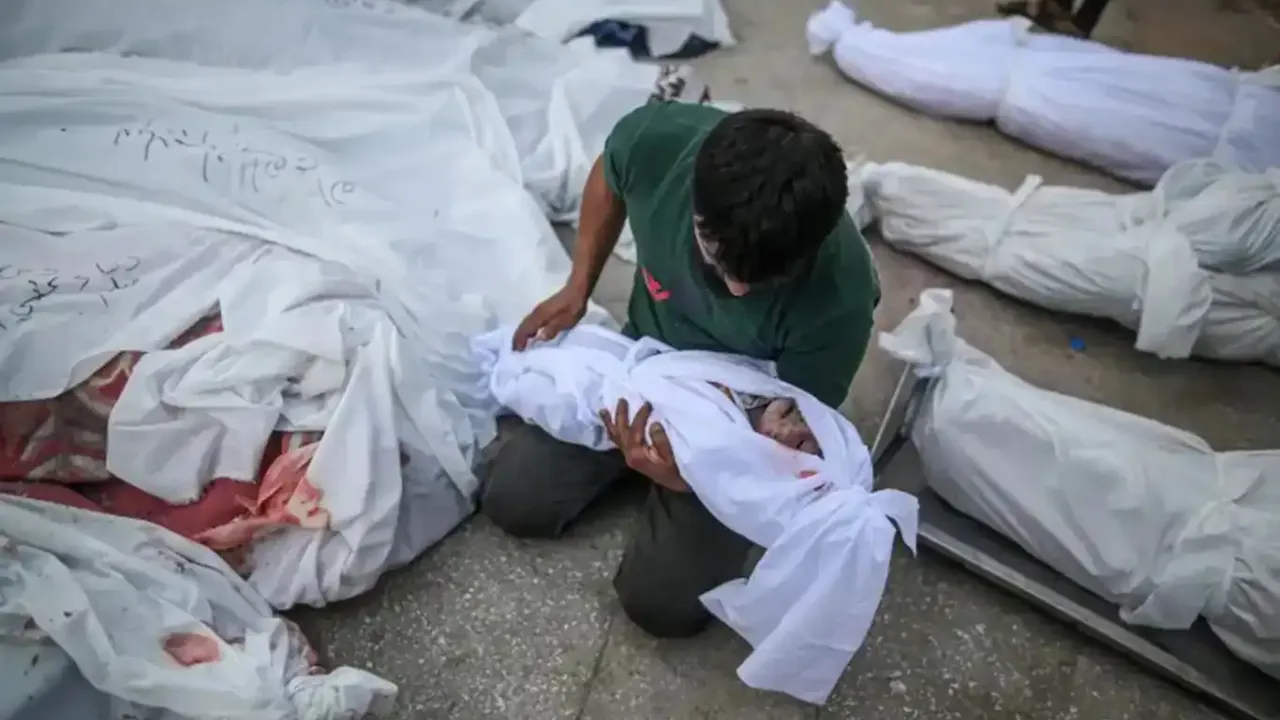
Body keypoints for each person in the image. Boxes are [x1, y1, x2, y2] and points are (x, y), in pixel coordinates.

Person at [480, 100, 880, 638]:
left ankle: (659, 485)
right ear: (694, 204)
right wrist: (578, 286)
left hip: (737, 418)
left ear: (812, 249)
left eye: (763, 280)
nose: (737, 288)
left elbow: (784, 439)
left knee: (662, 605)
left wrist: (692, 475)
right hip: (647, 361)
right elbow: (610, 173)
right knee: (511, 498)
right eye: (719, 259)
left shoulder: (841, 298)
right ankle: (635, 469)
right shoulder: (659, 144)